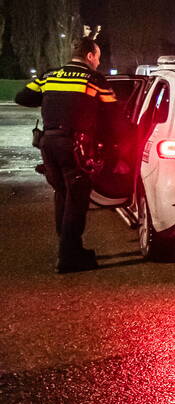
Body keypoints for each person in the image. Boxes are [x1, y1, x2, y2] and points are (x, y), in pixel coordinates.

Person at [15, 37, 117, 273]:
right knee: (77, 199)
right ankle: (69, 256)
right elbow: (114, 115)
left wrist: (53, 99)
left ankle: (68, 249)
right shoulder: (94, 79)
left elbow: (22, 97)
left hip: (48, 143)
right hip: (74, 145)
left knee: (62, 194)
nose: (99, 63)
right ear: (90, 56)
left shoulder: (49, 76)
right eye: (98, 58)